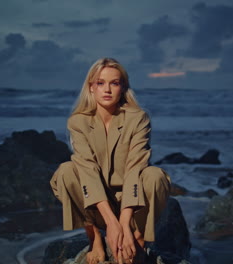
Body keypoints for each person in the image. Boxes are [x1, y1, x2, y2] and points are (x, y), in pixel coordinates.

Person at [50, 58, 171, 264]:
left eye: (114, 83)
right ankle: (94, 238)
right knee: (66, 172)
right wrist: (111, 225)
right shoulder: (78, 121)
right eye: (100, 83)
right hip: (96, 204)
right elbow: (87, 168)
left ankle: (139, 240)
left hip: (132, 204)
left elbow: (135, 167)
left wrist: (124, 224)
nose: (107, 89)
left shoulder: (138, 118)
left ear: (123, 87)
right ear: (91, 88)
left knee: (155, 176)